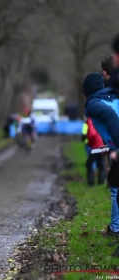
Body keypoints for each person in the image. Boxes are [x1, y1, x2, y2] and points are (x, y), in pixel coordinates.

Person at [83, 72, 119, 236]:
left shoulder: (94, 103)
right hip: (109, 148)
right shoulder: (112, 97)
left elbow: (111, 116)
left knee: (116, 189)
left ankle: (116, 229)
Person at [84, 117, 106, 186]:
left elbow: (91, 134)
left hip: (96, 146)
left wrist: (90, 142)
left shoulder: (90, 120)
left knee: (89, 164)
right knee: (101, 164)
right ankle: (101, 181)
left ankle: (91, 182)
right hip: (103, 145)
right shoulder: (100, 120)